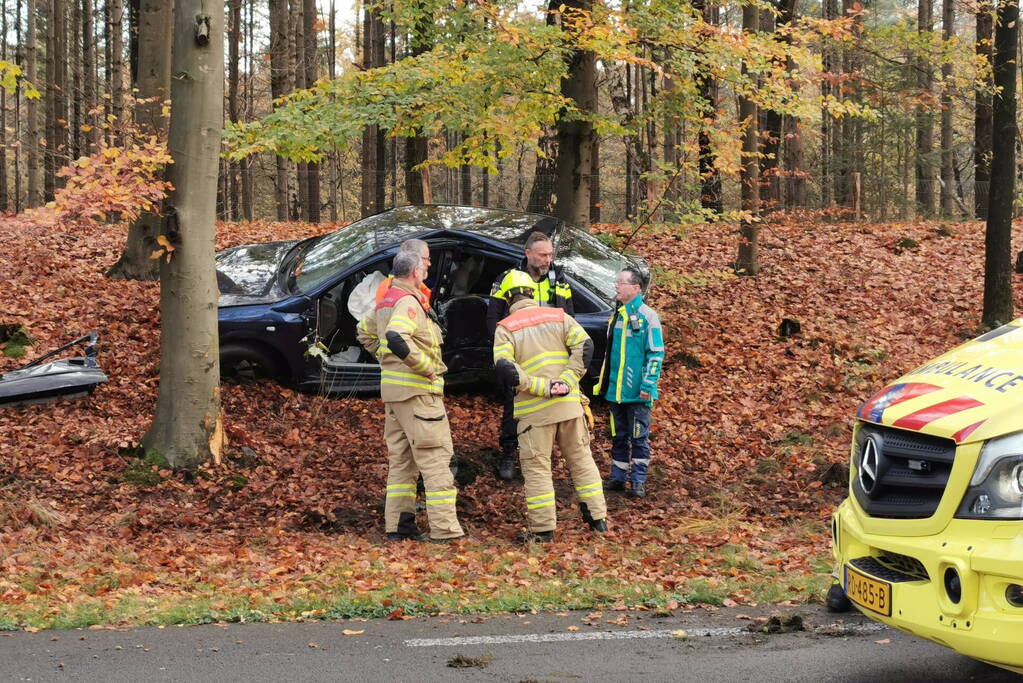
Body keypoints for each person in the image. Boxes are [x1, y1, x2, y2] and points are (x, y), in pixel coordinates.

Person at [356, 251, 465, 543]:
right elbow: (395, 336)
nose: (428, 268)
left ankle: (399, 526)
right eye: (425, 265)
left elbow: (365, 332)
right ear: (415, 272)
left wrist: (386, 359)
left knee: (402, 462)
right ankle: (446, 531)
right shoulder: (408, 302)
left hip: (394, 396)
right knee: (436, 459)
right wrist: (425, 366)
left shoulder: (386, 301)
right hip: (418, 394)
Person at [493, 270, 607, 542]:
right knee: (582, 461)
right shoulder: (559, 316)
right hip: (569, 405)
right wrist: (568, 380)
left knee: (537, 469)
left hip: (535, 413)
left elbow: (505, 367)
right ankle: (598, 520)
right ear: (532, 292)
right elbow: (586, 345)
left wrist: (539, 387)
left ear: (508, 297)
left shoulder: (505, 328)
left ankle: (543, 532)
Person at [487, 231, 576, 480]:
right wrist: (502, 354)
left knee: (554, 404)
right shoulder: (508, 278)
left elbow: (569, 316)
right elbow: (493, 318)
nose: (548, 259)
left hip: (552, 355)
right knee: (513, 406)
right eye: (543, 255)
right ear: (528, 253)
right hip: (520, 354)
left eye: (550, 254)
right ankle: (508, 453)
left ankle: (543, 456)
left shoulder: (559, 280)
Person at [594, 267, 664, 499]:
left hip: (638, 393)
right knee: (618, 436)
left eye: (621, 283)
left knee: (639, 437)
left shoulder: (648, 316)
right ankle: (617, 477)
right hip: (616, 392)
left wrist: (648, 385)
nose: (616, 286)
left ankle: (638, 481)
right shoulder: (618, 315)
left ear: (635, 288)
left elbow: (656, 353)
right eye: (616, 282)